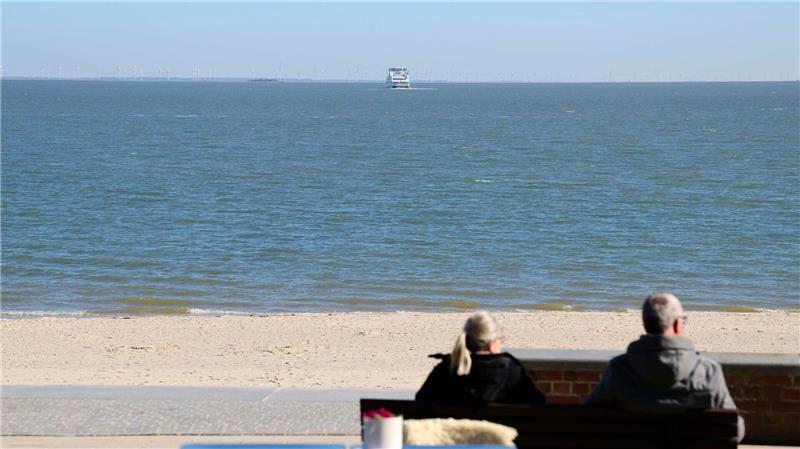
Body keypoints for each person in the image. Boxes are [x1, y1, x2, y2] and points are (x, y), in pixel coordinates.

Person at [586, 293, 744, 442]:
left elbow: (591, 419)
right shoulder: (707, 371)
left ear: (646, 324)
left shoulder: (619, 369)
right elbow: (735, 430)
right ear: (677, 325)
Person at [416, 311, 545, 405]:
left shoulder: (448, 368)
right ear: (491, 343)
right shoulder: (511, 370)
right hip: (498, 440)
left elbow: (421, 401)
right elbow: (539, 403)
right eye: (500, 339)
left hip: (455, 439)